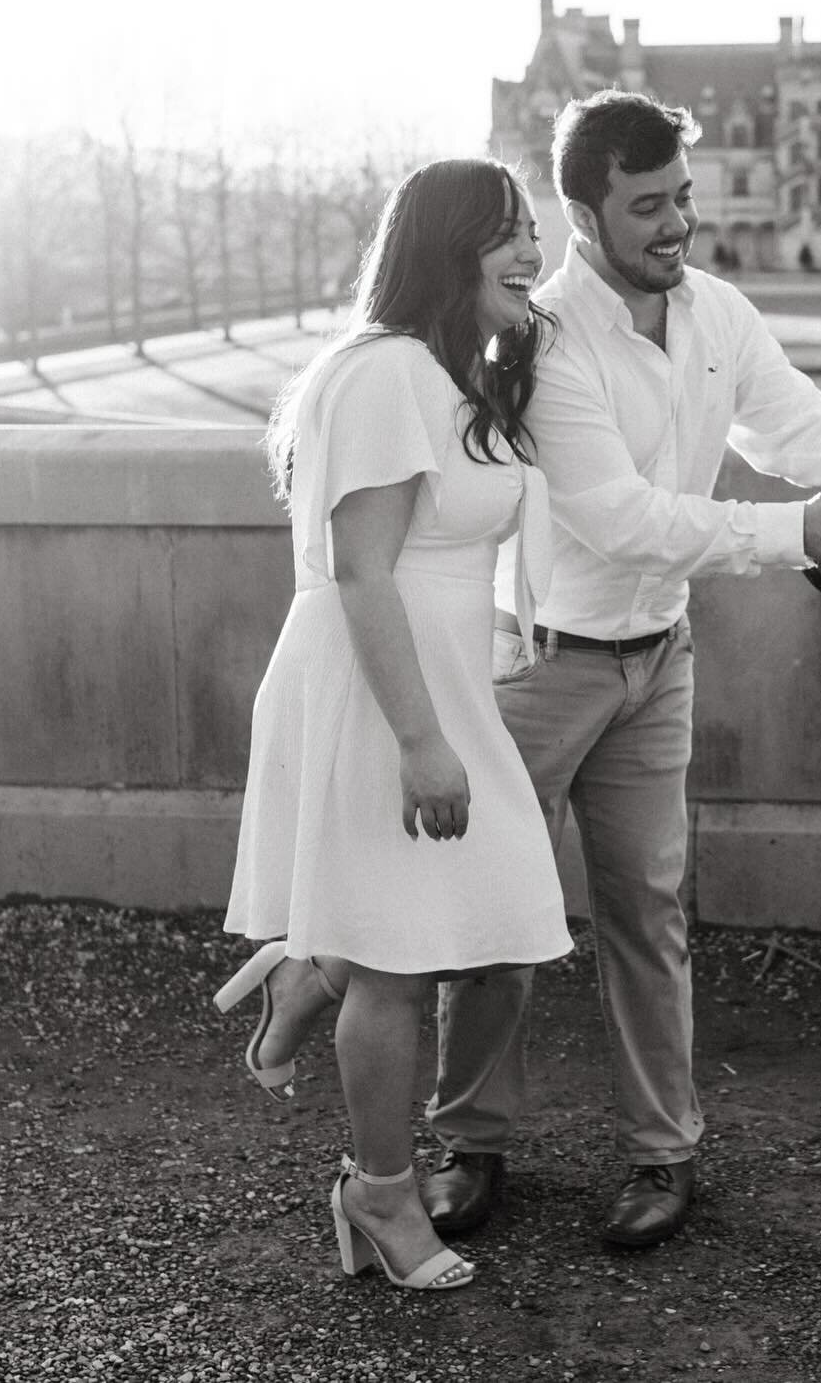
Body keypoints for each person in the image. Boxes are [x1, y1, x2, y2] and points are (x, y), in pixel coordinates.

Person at [421, 91, 821, 1250]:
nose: (679, 223)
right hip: (542, 667)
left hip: (656, 662)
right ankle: (473, 1144)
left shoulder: (716, 308)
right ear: (582, 211)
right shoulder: (542, 334)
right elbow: (619, 518)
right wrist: (792, 535)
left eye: (684, 196)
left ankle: (661, 1155)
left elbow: (787, 425)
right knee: (499, 918)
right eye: (649, 205)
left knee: (649, 916)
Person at [214, 159, 572, 1292]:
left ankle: (316, 961)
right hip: (381, 690)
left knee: (489, 918)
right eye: (509, 233)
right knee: (404, 967)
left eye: (533, 229)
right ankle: (379, 1189)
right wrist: (422, 738)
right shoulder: (384, 375)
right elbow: (364, 573)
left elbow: (449, 543)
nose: (533, 250)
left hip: (439, 677)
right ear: (446, 246)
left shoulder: (449, 373)